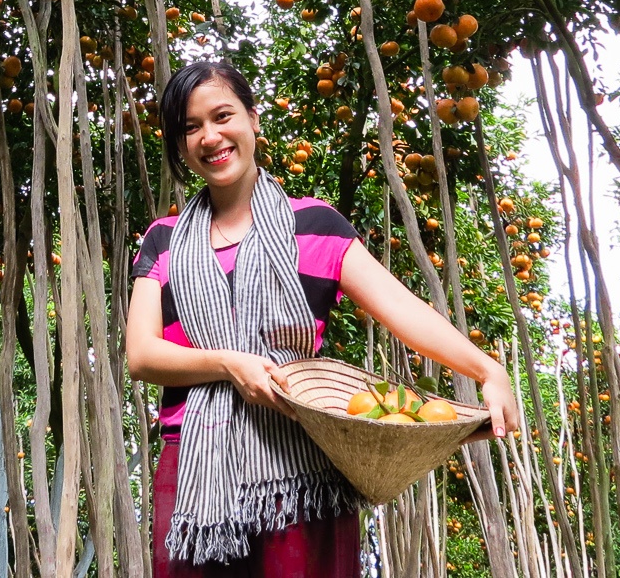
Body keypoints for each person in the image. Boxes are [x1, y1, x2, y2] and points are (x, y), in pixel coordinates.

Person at [126, 59, 522, 577]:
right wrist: (228, 363)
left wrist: (488, 371)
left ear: (252, 119)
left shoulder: (316, 224)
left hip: (301, 463)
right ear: (180, 146)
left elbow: (402, 308)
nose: (210, 136)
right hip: (195, 469)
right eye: (190, 128)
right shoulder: (164, 237)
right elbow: (142, 354)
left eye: (222, 116)